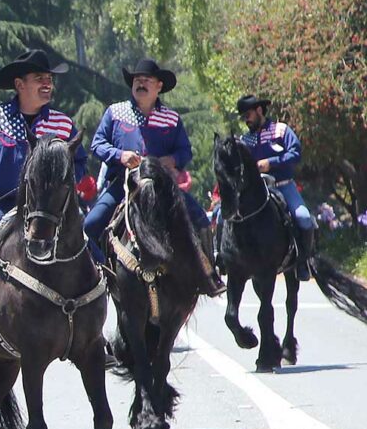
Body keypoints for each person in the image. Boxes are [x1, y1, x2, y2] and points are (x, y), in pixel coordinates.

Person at [83, 58, 224, 296]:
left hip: (163, 187)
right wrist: (120, 155)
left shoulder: (171, 118)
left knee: (199, 218)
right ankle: (99, 274)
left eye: (146, 80)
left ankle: (208, 275)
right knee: (90, 224)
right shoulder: (115, 113)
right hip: (124, 184)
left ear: (159, 86)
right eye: (137, 80)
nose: (140, 84)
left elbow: (185, 150)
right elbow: (97, 144)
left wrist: (174, 160)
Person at [0, 48, 87, 271]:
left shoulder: (62, 125)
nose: (47, 84)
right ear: (19, 84)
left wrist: (60, 187)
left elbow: (79, 164)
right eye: (39, 79)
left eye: (49, 79)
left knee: (93, 256)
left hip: (49, 211)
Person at [236, 94, 316, 281]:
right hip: (256, 190)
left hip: (283, 185)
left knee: (304, 218)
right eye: (243, 117)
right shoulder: (244, 139)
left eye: (248, 114)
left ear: (259, 110)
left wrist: (270, 163)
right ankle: (227, 259)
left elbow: (295, 153)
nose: (246, 119)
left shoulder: (281, 130)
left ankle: (304, 261)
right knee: (228, 216)